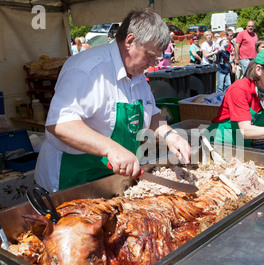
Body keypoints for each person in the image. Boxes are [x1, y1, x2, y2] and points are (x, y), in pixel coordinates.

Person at [34, 9, 191, 193]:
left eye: (156, 57)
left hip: (112, 178)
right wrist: (111, 149)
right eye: (149, 55)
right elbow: (59, 124)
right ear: (130, 41)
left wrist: (170, 135)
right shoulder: (87, 70)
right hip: (71, 179)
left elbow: (151, 112)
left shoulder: (138, 74)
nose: (152, 63)